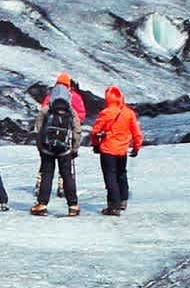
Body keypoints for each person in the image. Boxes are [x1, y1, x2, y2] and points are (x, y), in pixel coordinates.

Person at [30, 74, 89, 216]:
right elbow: (77, 131)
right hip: (65, 150)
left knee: (47, 175)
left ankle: (41, 205)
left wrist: (41, 147)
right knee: (67, 175)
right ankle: (73, 206)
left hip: (48, 149)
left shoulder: (47, 108)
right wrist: (74, 149)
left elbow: (38, 129)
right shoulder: (71, 111)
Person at [91, 84, 143, 214]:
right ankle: (123, 200)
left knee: (110, 176)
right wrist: (137, 146)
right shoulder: (128, 113)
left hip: (108, 150)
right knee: (121, 174)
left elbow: (95, 131)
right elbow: (136, 132)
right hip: (122, 150)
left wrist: (96, 144)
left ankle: (113, 206)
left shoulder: (106, 113)